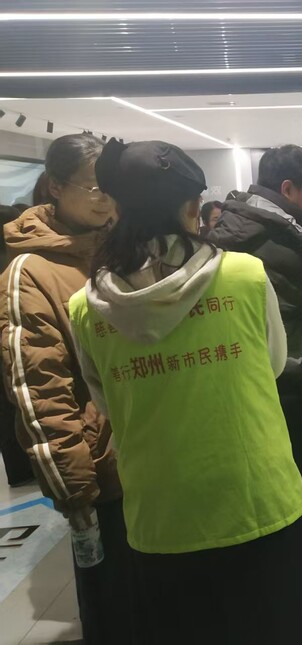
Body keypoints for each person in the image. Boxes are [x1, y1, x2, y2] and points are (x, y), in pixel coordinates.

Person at [70, 138, 302, 644]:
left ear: (116, 208)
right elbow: (274, 363)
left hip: (159, 522)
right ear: (193, 207)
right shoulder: (244, 276)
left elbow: (105, 403)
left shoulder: (86, 307)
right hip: (260, 505)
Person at [0, 134, 136, 644]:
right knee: (112, 604)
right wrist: (73, 488)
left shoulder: (123, 247)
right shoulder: (29, 272)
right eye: (95, 187)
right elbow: (40, 391)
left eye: (112, 187)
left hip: (149, 455)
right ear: (56, 187)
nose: (106, 199)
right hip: (103, 471)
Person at [209, 144, 302, 530]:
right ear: (288, 188)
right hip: (290, 369)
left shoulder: (236, 224)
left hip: (248, 368)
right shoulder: (280, 240)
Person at [0, 205, 32, 487]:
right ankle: (25, 466)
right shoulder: (14, 263)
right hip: (12, 338)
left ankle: (17, 469)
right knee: (18, 400)